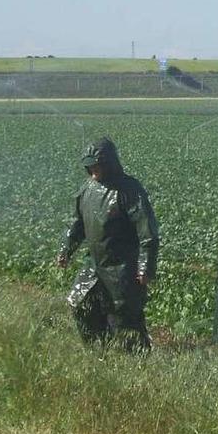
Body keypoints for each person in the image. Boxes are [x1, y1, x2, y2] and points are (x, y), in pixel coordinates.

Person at [57, 136, 159, 351]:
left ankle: (135, 362)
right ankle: (99, 350)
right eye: (90, 167)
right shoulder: (87, 189)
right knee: (81, 304)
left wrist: (145, 267)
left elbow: (147, 230)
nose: (94, 170)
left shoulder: (129, 190)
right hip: (94, 264)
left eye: (97, 166)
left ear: (109, 164)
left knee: (124, 318)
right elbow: (77, 224)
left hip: (122, 267)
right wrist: (66, 248)